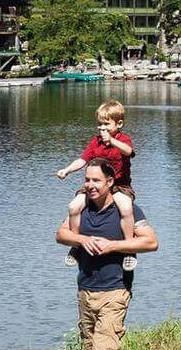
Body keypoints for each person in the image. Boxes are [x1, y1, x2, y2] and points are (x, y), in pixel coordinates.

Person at [55, 157, 159, 350]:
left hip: (115, 290)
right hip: (86, 289)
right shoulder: (81, 207)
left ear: (110, 182)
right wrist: (81, 240)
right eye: (87, 180)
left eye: (96, 180)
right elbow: (61, 233)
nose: (89, 185)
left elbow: (151, 241)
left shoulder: (127, 209)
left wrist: (113, 246)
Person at [57, 100, 137, 271]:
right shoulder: (95, 142)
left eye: (106, 124)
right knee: (73, 207)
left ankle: (129, 249)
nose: (102, 128)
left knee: (125, 208)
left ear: (119, 124)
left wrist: (112, 141)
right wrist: (67, 170)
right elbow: (83, 159)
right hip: (96, 185)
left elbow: (129, 152)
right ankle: (77, 245)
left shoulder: (123, 139)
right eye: (100, 124)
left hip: (119, 185)